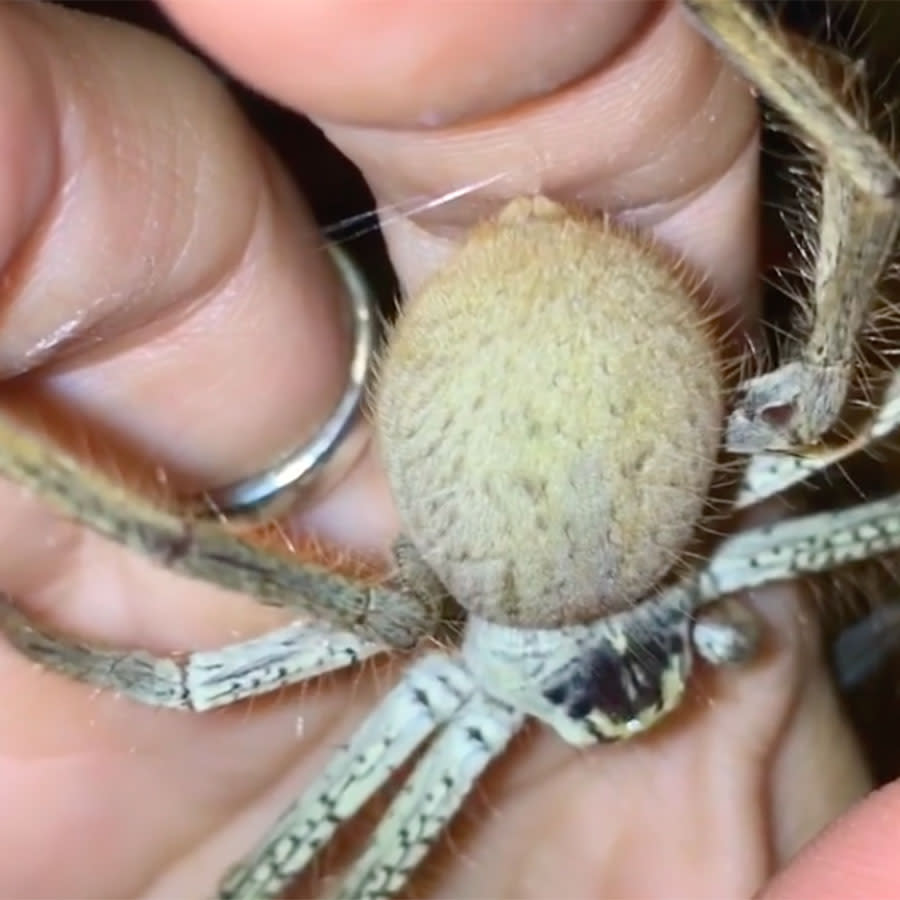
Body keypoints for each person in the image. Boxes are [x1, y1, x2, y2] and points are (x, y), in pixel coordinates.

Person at [0, 1, 894, 896]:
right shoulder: (739, 543)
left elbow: (186, 694)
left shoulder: (409, 643)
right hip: (606, 356)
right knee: (827, 389)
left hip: (578, 359)